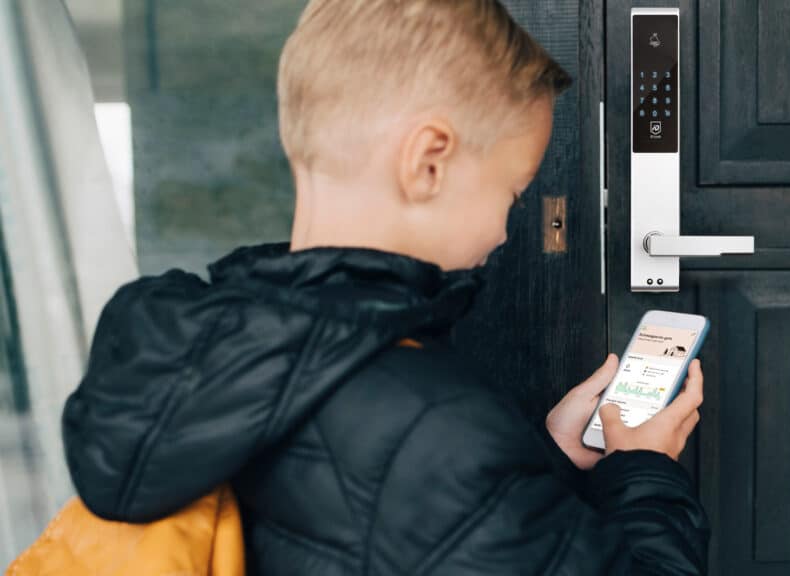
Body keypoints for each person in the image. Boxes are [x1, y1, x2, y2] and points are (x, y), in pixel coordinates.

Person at [62, 1, 709, 574]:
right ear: (428, 161)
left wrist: (549, 456)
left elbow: (385, 516)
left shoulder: (211, 355)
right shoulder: (433, 421)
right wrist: (645, 471)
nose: (504, 233)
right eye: (511, 194)